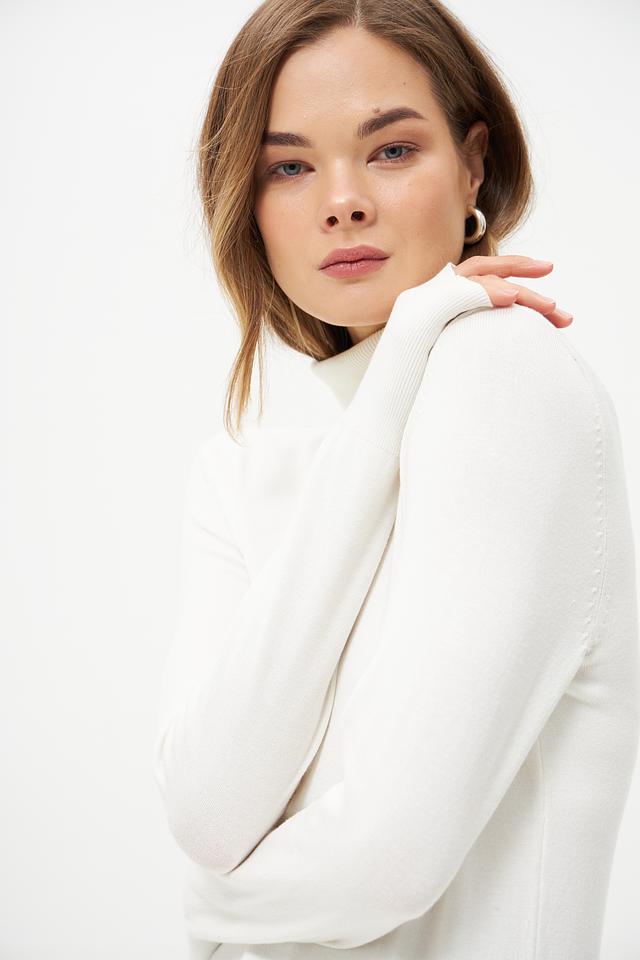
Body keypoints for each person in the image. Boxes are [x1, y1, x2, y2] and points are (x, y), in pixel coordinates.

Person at [152, 1, 639, 958]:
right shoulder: (241, 477)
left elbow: (386, 859)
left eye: (391, 150)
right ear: (246, 202)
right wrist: (385, 402)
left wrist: (210, 913)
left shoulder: (505, 374)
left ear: (473, 165)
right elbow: (207, 815)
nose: (343, 202)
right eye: (289, 167)